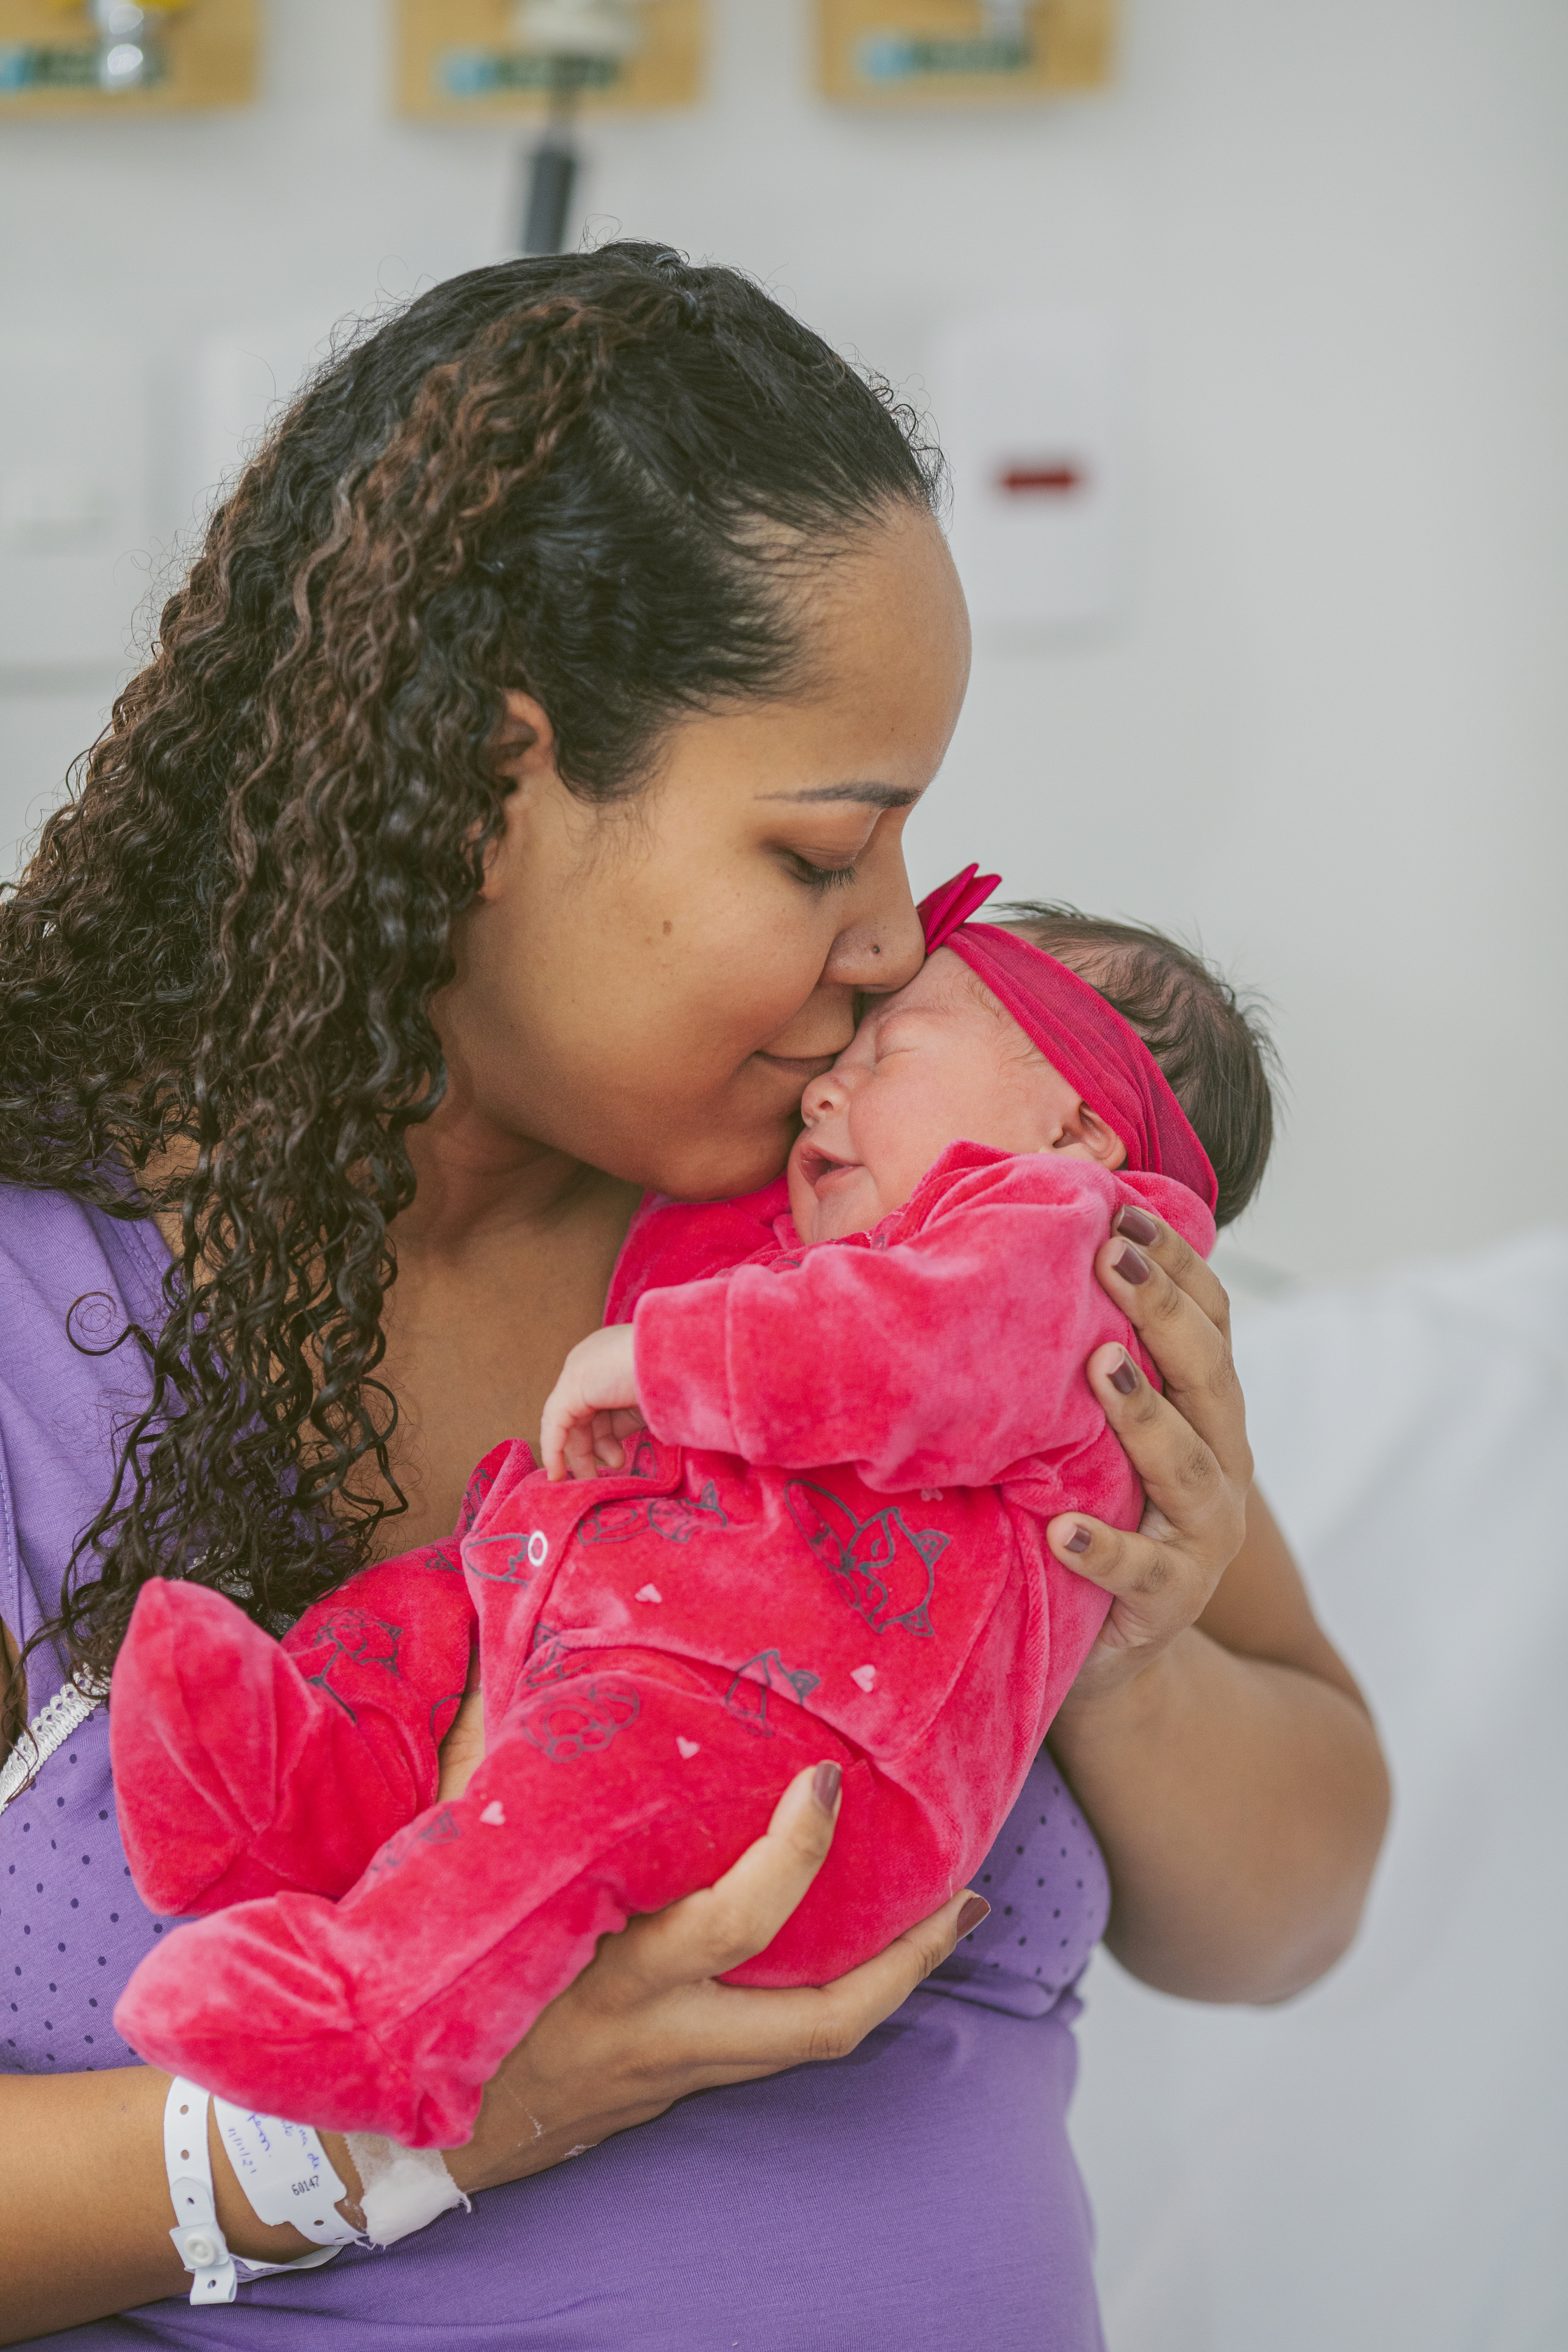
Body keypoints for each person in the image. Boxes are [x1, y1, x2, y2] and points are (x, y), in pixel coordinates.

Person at [0, 242, 1390, 2349]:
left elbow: (1291, 1915)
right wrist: (388, 2136)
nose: (896, 941)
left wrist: (1111, 1633)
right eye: (822, 855)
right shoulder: (39, 1317)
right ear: (488, 786)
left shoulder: (886, 1230)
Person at [108, 888, 1270, 2153]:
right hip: (643, 1619)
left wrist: (662, 1361)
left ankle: (391, 2013)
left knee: (589, 1780)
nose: (828, 1083)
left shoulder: (1073, 1249)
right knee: (430, 1605)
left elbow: (906, 1353)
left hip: (795, 1737)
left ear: (1082, 1131)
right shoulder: (802, 1205)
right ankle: (304, 1795)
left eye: (887, 1055)